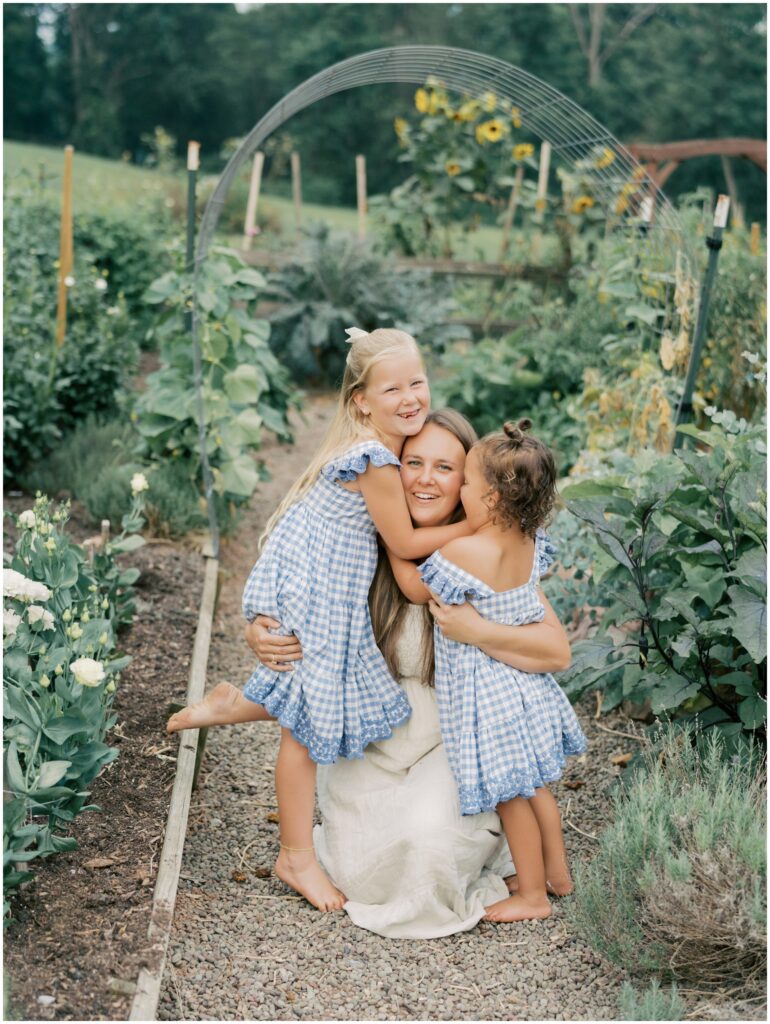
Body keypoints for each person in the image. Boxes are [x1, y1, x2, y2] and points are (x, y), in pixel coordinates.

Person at [168, 328, 473, 913]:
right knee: (304, 732)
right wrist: (479, 525)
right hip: (321, 594)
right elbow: (405, 540)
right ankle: (295, 855)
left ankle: (235, 705)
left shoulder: (364, 447)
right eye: (392, 388)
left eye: (417, 381)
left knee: (320, 694)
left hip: (310, 584)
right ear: (361, 399)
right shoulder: (376, 459)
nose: (410, 396)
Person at [249, 410, 574, 937]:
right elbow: (298, 633)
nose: (426, 478)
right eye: (412, 463)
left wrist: (476, 630)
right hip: (375, 743)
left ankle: (537, 883)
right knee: (367, 864)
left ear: (475, 488)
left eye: (447, 469)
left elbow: (555, 649)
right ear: (388, 472)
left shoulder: (476, 552)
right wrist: (257, 632)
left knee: (429, 848)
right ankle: (547, 877)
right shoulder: (355, 545)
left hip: (451, 742)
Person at [400, 417, 587, 923]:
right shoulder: (528, 547)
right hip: (526, 687)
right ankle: (558, 875)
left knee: (511, 799)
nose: (457, 487)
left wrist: (394, 541)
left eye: (463, 480)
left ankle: (532, 895)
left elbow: (417, 588)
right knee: (537, 786)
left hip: (487, 692)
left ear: (490, 499)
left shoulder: (463, 551)